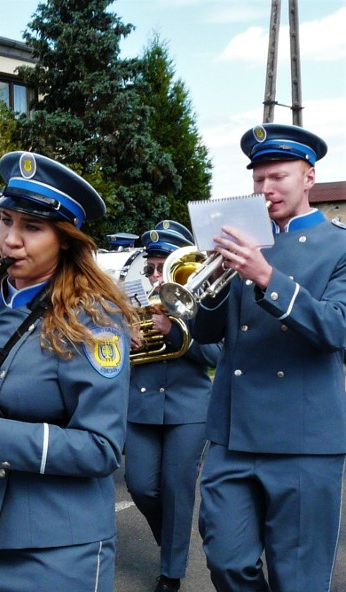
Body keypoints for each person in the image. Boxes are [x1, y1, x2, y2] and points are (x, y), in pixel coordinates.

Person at [0, 151, 134, 591]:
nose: (10, 240)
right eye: (6, 221)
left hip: (59, 549)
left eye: (32, 227)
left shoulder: (93, 319)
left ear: (65, 241)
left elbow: (101, 448)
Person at [192, 123, 346, 591]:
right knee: (225, 560)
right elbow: (203, 331)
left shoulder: (339, 246)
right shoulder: (242, 242)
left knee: (298, 578)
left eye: (278, 176)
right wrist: (210, 283)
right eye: (258, 179)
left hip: (304, 440)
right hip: (234, 434)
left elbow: (335, 328)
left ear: (309, 177)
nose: (265, 189)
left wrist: (266, 277)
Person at [125, 220, 222, 592]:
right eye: (149, 266)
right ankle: (172, 540)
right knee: (140, 486)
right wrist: (123, 339)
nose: (153, 274)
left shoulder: (204, 301)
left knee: (177, 488)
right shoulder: (130, 300)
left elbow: (215, 353)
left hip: (189, 407)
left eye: (160, 265)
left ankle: (171, 572)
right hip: (141, 405)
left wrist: (176, 330)